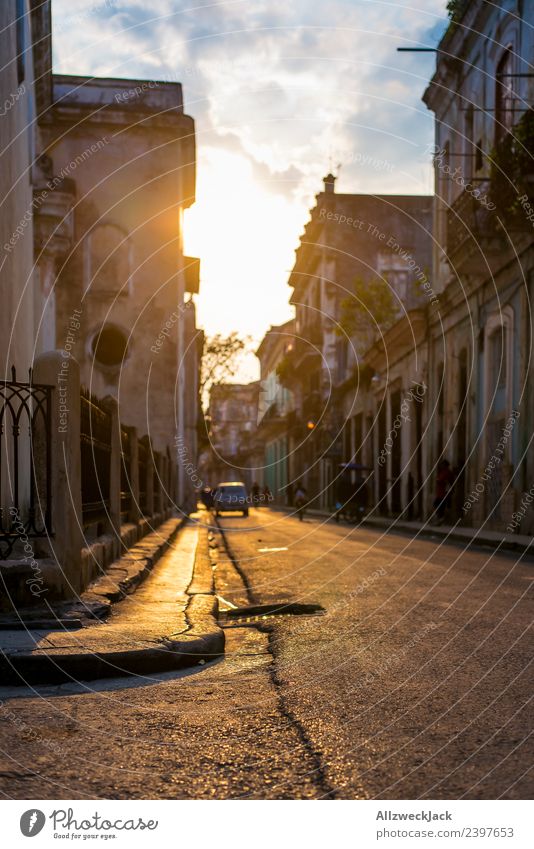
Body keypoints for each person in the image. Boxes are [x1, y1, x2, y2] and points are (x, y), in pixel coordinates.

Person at [433, 459, 454, 524]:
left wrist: (439, 480)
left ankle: (441, 519)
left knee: (439, 505)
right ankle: (440, 519)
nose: (441, 466)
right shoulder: (443, 472)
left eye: (442, 465)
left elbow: (443, 480)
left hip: (444, 493)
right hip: (441, 492)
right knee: (438, 505)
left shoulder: (447, 472)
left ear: (445, 465)